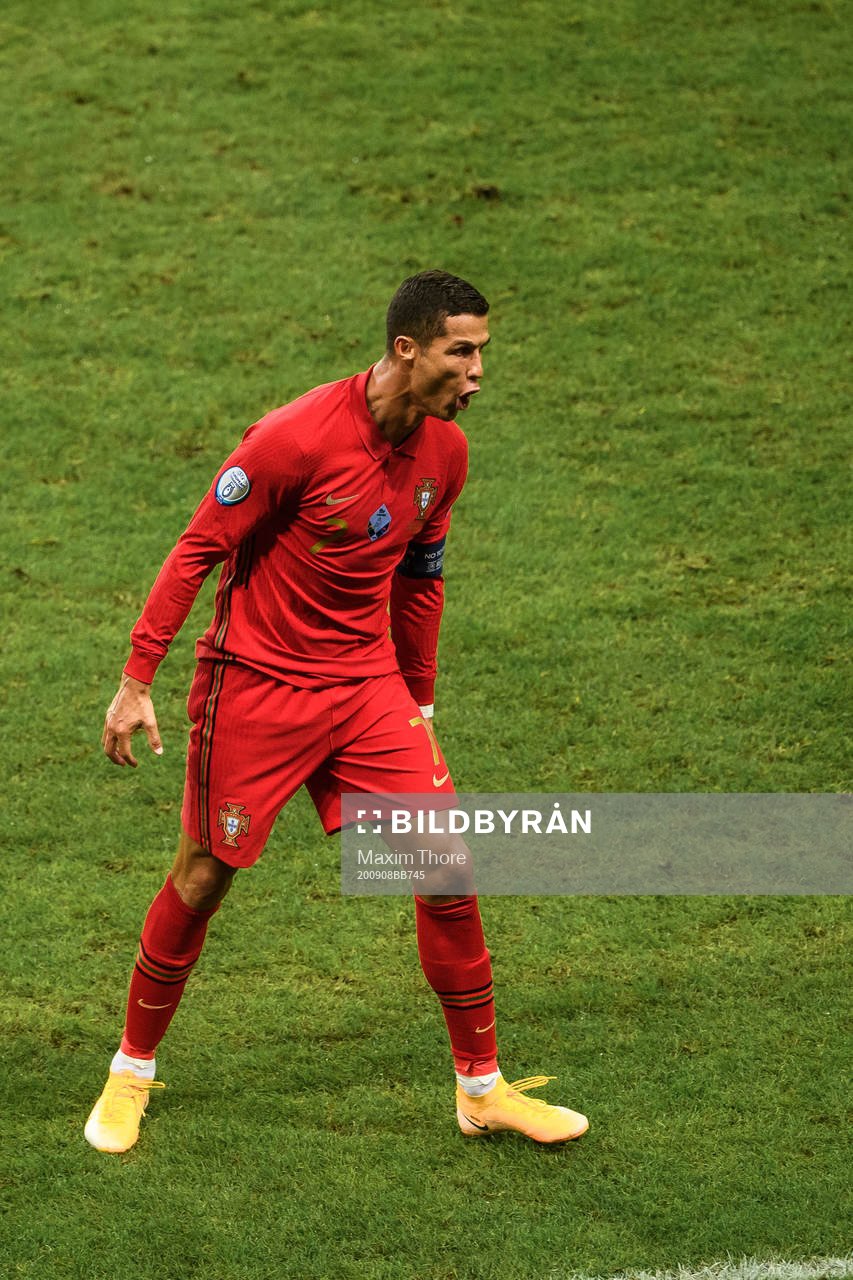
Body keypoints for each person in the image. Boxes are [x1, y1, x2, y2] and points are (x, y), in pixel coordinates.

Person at [85, 270, 589, 1153]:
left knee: (446, 870)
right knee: (204, 879)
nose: (476, 372)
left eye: (481, 352)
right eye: (460, 352)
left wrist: (419, 699)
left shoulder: (445, 455)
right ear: (407, 348)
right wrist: (137, 677)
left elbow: (420, 579)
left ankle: (481, 1089)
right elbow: (198, 549)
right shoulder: (292, 440)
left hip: (365, 691)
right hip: (257, 686)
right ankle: (130, 1072)